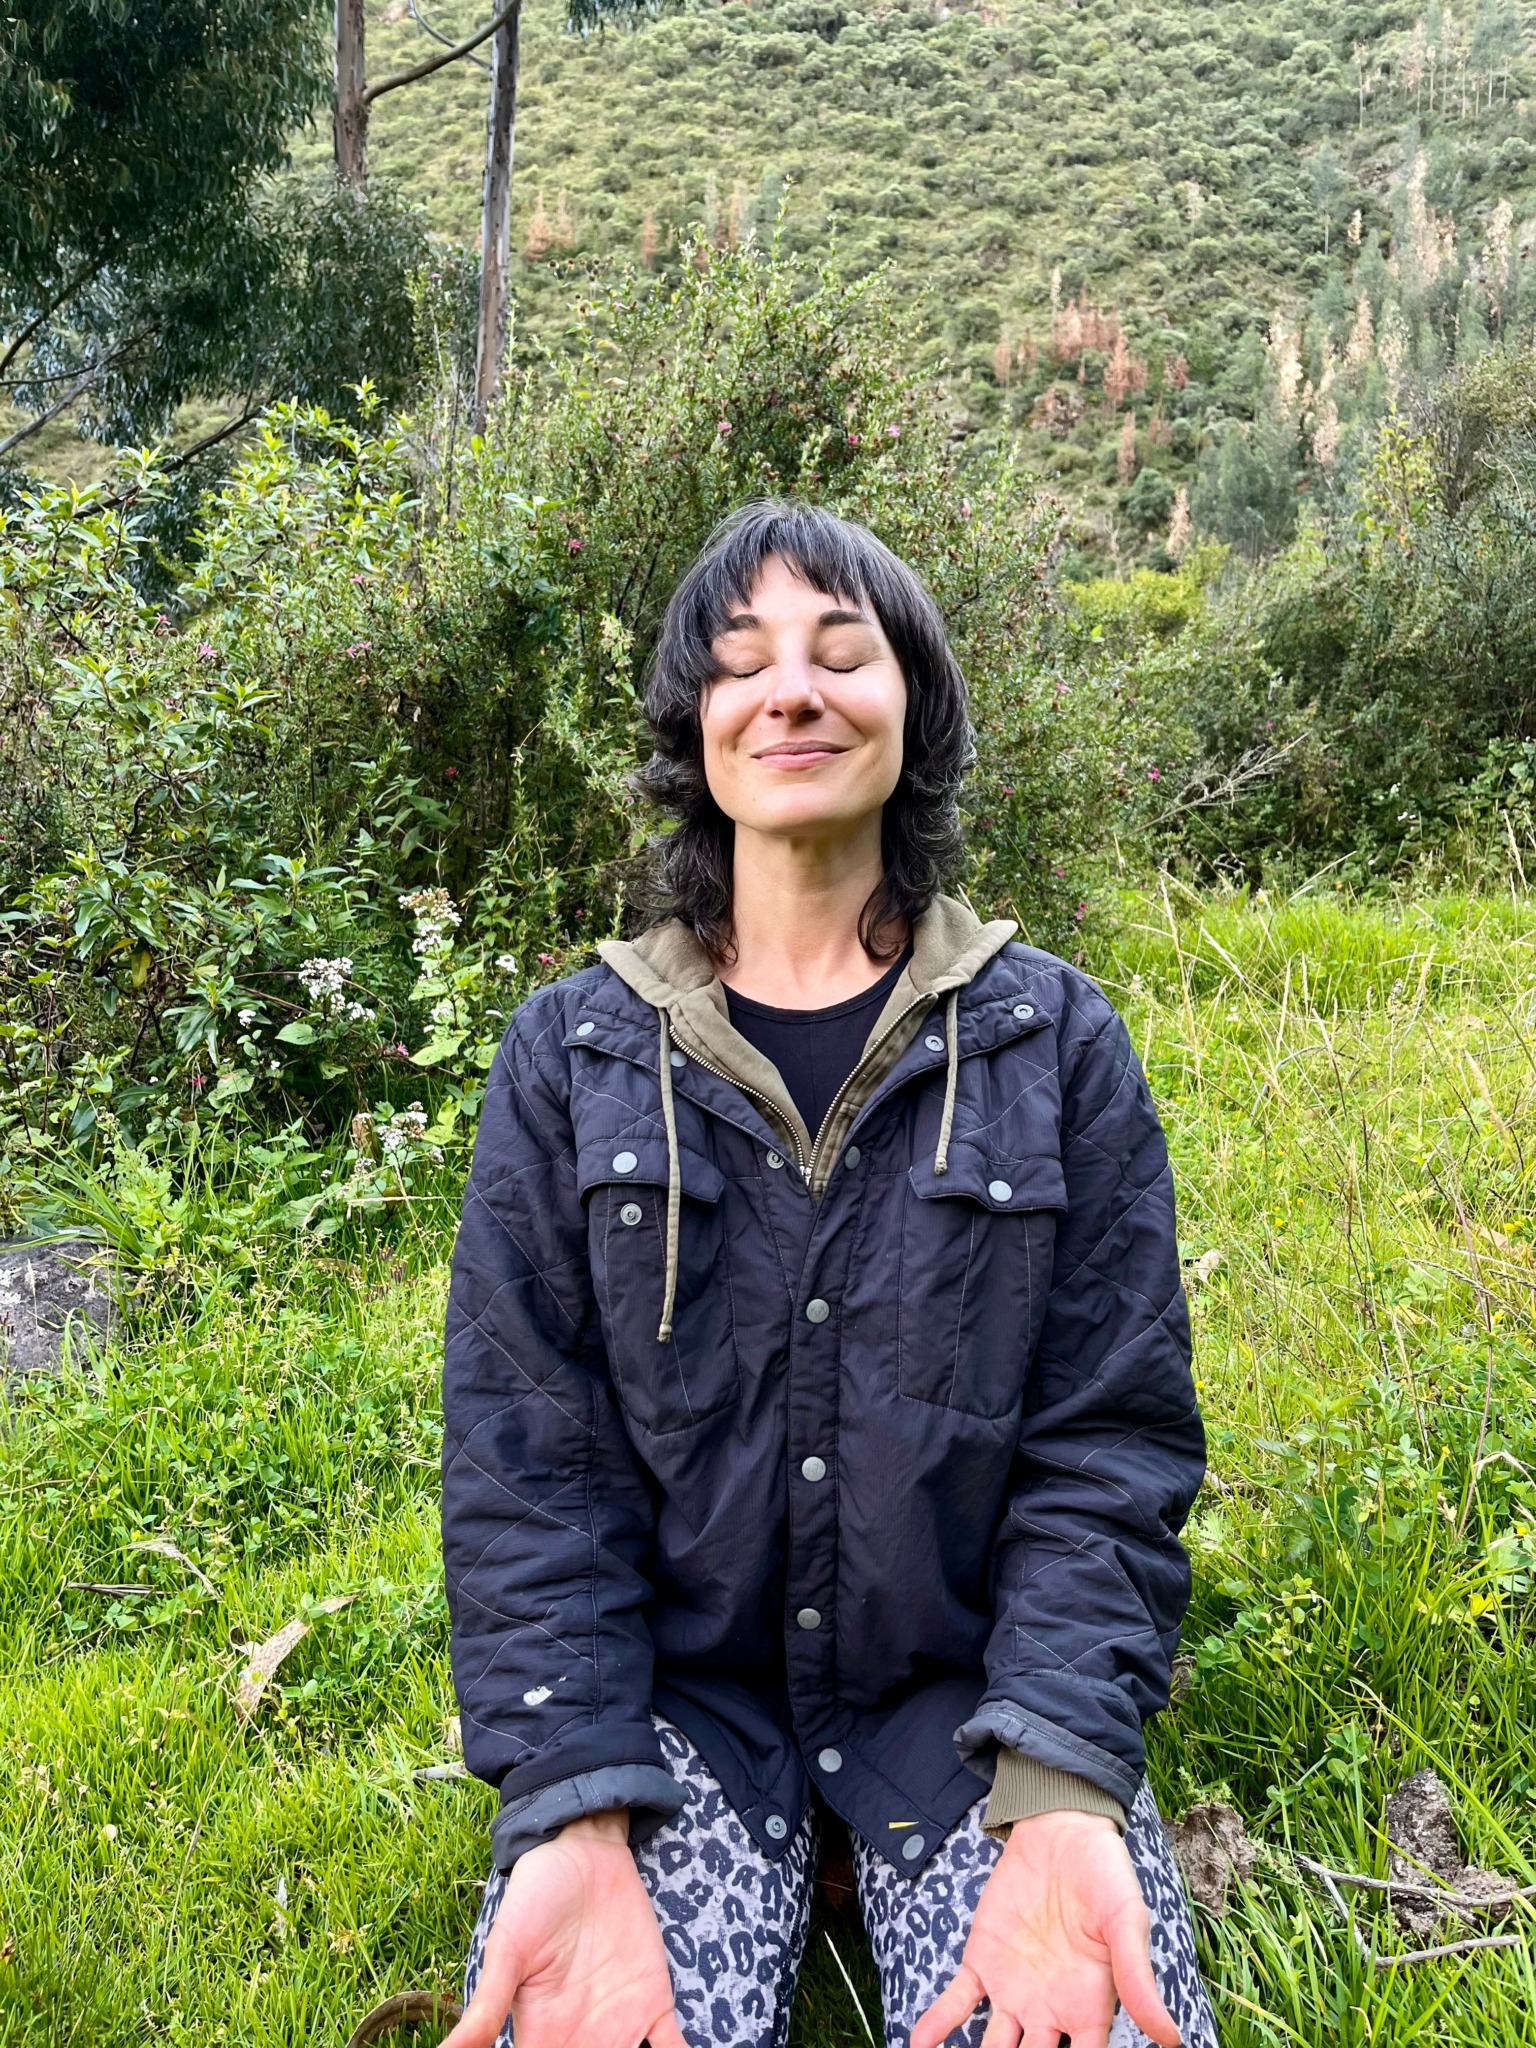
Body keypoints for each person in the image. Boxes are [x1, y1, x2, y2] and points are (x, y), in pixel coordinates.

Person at [440, 502, 1217, 2048]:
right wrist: (573, 1801)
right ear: (696, 725)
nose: (791, 691)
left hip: (968, 1715)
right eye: (743, 662)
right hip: (678, 1724)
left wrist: (1066, 1781)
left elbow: (1107, 1445)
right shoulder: (571, 1057)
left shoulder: (1055, 1046)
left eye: (841, 653)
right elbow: (531, 1468)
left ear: (913, 704)